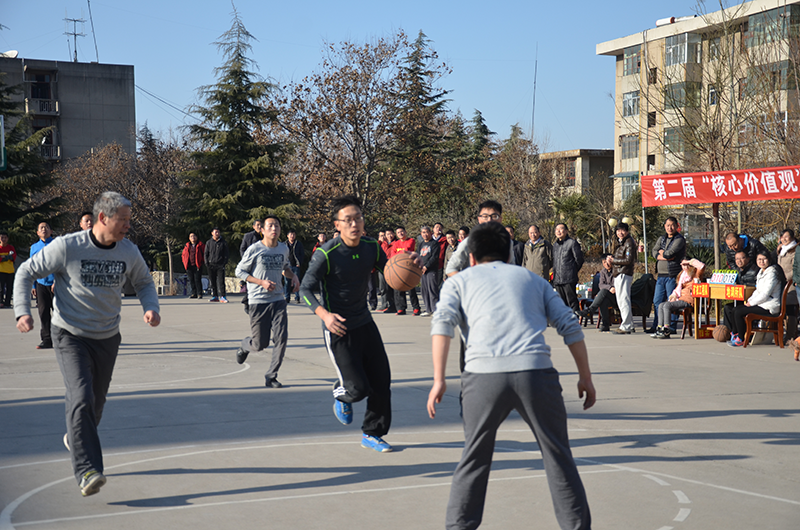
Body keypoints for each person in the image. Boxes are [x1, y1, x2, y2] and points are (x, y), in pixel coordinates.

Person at [427, 221, 594, 530]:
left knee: (474, 458)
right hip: (536, 372)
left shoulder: (459, 282)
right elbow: (570, 325)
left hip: (483, 376)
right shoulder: (532, 280)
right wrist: (585, 376)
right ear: (509, 255)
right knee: (558, 455)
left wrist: (439, 379)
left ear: (471, 257)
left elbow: (442, 325)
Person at [13, 191, 160, 497]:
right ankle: (87, 471)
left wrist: (151, 307)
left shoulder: (128, 251)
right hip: (70, 334)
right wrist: (22, 310)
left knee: (95, 405)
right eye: (123, 220)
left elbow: (144, 282)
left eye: (129, 220)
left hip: (107, 336)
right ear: (102, 218)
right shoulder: (68, 246)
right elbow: (26, 271)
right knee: (80, 396)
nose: (128, 226)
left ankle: (76, 436)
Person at [299, 195, 400, 453]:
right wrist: (325, 315)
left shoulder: (371, 247)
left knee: (382, 381)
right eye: (348, 220)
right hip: (338, 328)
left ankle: (372, 434)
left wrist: (411, 266)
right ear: (337, 225)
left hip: (364, 322)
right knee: (358, 389)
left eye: (358, 218)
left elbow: (392, 272)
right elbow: (305, 289)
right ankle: (341, 391)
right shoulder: (326, 253)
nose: (354, 224)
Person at [235, 216, 299, 388]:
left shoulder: (283, 248)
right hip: (258, 301)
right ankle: (245, 346)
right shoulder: (255, 249)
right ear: (262, 230)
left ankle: (271, 376)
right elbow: (239, 271)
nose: (274, 228)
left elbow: (285, 268)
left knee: (281, 338)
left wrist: (294, 277)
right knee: (260, 344)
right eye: (270, 226)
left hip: (278, 299)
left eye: (277, 225)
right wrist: (260, 282)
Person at [724, 250, 784, 346]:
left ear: (769, 260)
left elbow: (765, 294)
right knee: (735, 309)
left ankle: (741, 338)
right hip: (762, 304)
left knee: (739, 312)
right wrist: (749, 301)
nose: (762, 262)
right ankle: (735, 334)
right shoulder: (761, 272)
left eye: (764, 259)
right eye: (759, 259)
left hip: (769, 306)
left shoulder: (772, 273)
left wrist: (751, 304)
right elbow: (757, 291)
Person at [650, 217, 686, 333]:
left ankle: (671, 327)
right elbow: (654, 251)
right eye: (667, 225)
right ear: (664, 226)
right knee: (657, 301)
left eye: (672, 225)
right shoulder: (662, 239)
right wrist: (662, 256)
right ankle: (657, 325)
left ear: (677, 226)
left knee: (672, 301)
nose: (670, 227)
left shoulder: (679, 239)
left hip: (672, 275)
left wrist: (663, 253)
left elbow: (671, 253)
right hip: (660, 276)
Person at [653, 259, 705, 339]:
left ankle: (666, 329)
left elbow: (702, 266)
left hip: (688, 300)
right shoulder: (682, 276)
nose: (685, 267)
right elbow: (677, 289)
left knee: (667, 306)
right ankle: (659, 328)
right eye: (683, 265)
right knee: (661, 305)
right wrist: (673, 296)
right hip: (680, 299)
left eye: (686, 265)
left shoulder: (695, 274)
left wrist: (689, 261)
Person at [30, 222, 56, 349]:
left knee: (59, 313)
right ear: (38, 233)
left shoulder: (57, 245)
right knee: (43, 312)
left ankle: (62, 338)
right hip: (41, 284)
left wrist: (57, 281)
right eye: (41, 228)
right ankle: (47, 339)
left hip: (56, 284)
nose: (44, 229)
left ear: (51, 231)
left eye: (46, 227)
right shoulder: (34, 247)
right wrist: (33, 285)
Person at [577, 254, 616, 332]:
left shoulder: (616, 271)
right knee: (603, 300)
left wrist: (608, 289)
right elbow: (601, 285)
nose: (606, 264)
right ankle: (605, 324)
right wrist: (609, 288)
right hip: (607, 296)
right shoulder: (603, 272)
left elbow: (615, 286)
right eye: (604, 262)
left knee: (603, 292)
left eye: (607, 262)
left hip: (616, 296)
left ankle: (590, 311)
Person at [610, 222, 636, 334]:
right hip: (619, 273)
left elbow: (628, 260)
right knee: (621, 300)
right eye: (618, 230)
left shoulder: (629, 242)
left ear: (627, 231)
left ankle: (626, 326)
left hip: (623, 273)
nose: (620, 233)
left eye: (623, 230)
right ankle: (630, 324)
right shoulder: (621, 242)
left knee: (623, 300)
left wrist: (614, 261)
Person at [552, 223, 584, 312]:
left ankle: (574, 318)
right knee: (561, 303)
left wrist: (572, 270)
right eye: (556, 229)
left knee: (572, 301)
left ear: (566, 231)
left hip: (569, 278)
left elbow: (579, 260)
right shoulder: (555, 245)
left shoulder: (572, 243)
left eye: (561, 229)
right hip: (558, 279)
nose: (558, 231)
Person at [390, 226, 420, 316]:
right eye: (398, 233)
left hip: (409, 267)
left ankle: (416, 308)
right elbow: (392, 255)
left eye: (401, 231)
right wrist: (401, 253)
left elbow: (407, 250)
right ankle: (401, 308)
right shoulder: (396, 243)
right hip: (398, 268)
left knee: (411, 289)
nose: (400, 234)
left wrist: (399, 253)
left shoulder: (411, 240)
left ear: (405, 232)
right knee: (399, 288)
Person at [775, 229, 798, 342]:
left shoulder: (795, 250)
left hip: (792, 284)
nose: (784, 239)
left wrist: (785, 278)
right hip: (782, 283)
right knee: (783, 308)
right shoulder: (782, 250)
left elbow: (796, 269)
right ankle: (786, 334)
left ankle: (791, 335)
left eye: (786, 236)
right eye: (782, 237)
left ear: (792, 237)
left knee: (791, 308)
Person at [418, 225, 439, 316]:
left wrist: (426, 266)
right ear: (421, 234)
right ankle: (428, 309)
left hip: (431, 270)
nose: (425, 234)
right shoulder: (421, 244)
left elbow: (434, 257)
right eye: (423, 232)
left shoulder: (434, 244)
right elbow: (418, 256)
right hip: (422, 271)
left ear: (431, 233)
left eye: (427, 232)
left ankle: (435, 310)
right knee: (424, 290)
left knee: (432, 290)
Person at [205, 227, 230, 303]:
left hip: (220, 265)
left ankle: (223, 296)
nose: (217, 233)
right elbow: (206, 254)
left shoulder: (223, 242)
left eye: (218, 232)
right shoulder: (209, 242)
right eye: (215, 232)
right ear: (212, 233)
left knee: (221, 281)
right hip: (211, 265)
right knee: (213, 282)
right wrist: (207, 263)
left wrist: (224, 263)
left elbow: (226, 254)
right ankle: (215, 296)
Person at [181, 233, 205, 299]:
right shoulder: (187, 245)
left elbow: (204, 254)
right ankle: (194, 293)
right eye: (191, 236)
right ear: (189, 238)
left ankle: (199, 293)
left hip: (197, 265)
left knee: (197, 279)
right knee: (191, 280)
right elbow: (183, 255)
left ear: (196, 237)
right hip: (189, 265)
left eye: (194, 236)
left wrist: (202, 262)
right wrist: (184, 262)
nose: (193, 237)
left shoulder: (200, 245)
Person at [285, 229, 305, 304]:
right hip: (287, 266)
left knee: (296, 282)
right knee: (287, 283)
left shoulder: (298, 244)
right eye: (291, 234)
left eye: (293, 234)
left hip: (296, 265)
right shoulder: (284, 244)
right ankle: (287, 297)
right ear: (287, 236)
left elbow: (302, 254)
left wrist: (299, 263)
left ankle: (297, 297)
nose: (292, 236)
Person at [379, 229, 397, 313]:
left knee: (392, 287)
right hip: (383, 267)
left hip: (392, 266)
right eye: (387, 234)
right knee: (383, 287)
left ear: (394, 234)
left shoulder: (396, 243)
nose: (389, 236)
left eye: (391, 234)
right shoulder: (382, 244)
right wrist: (379, 241)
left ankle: (394, 305)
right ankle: (385, 304)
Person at [0, 231, 16, 308]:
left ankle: (7, 302)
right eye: (2, 238)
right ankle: (1, 302)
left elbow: (13, 257)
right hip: (1, 271)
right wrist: (7, 257)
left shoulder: (11, 247)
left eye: (5, 238)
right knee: (1, 288)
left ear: (8, 239)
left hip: (10, 271)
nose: (3, 239)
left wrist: (4, 257)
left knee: (9, 288)